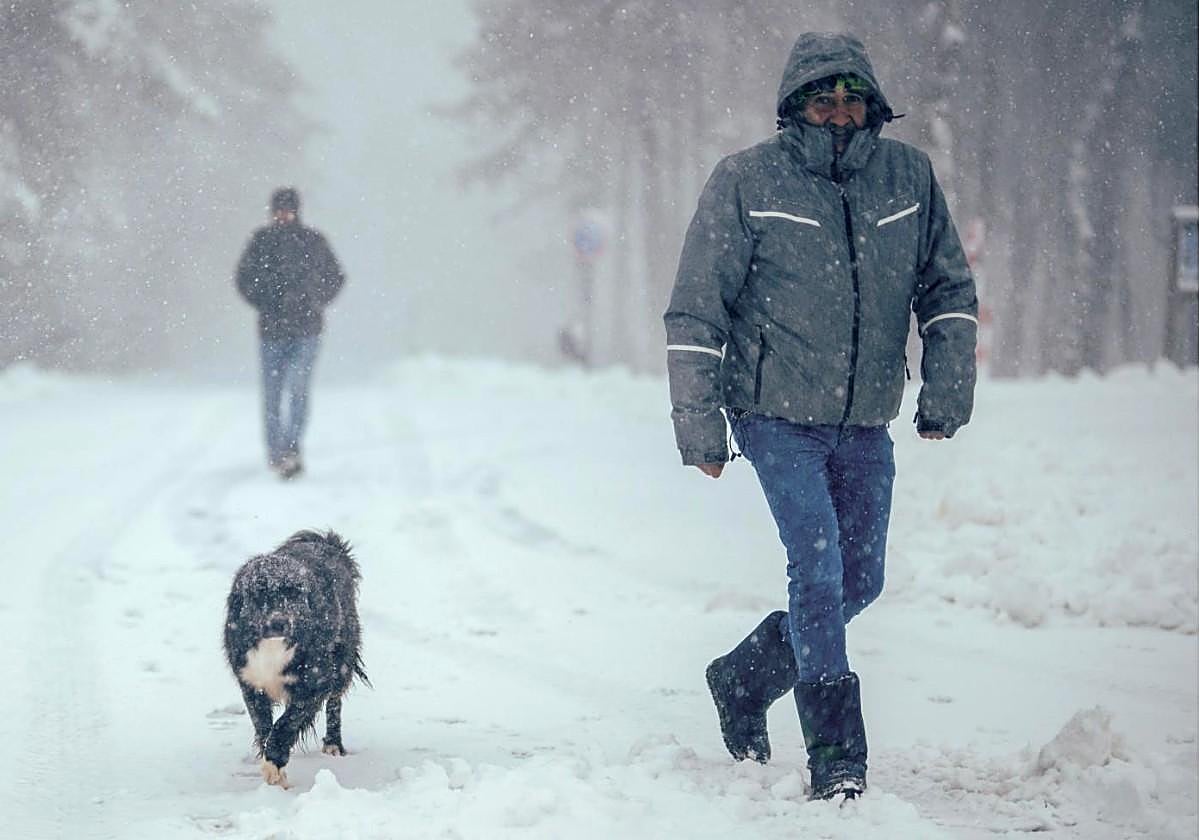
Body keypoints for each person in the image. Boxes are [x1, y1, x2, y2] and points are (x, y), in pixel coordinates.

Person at [663, 32, 978, 801]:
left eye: (851, 97)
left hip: (865, 417)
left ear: (872, 102)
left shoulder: (910, 177)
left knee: (860, 579)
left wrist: (946, 392)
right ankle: (837, 750)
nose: (838, 112)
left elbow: (948, 292)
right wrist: (701, 429)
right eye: (821, 97)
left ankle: (743, 679)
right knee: (818, 562)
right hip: (773, 413)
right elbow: (697, 311)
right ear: (793, 105)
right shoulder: (745, 180)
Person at [235, 187, 345, 479]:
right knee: (272, 395)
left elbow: (335, 277)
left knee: (297, 388)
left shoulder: (313, 242)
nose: (283, 215)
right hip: (271, 332)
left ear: (297, 211)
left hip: (307, 330)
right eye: (278, 210)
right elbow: (243, 279)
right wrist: (265, 301)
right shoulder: (261, 243)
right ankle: (276, 452)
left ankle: (292, 449)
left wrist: (314, 299)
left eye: (287, 210)